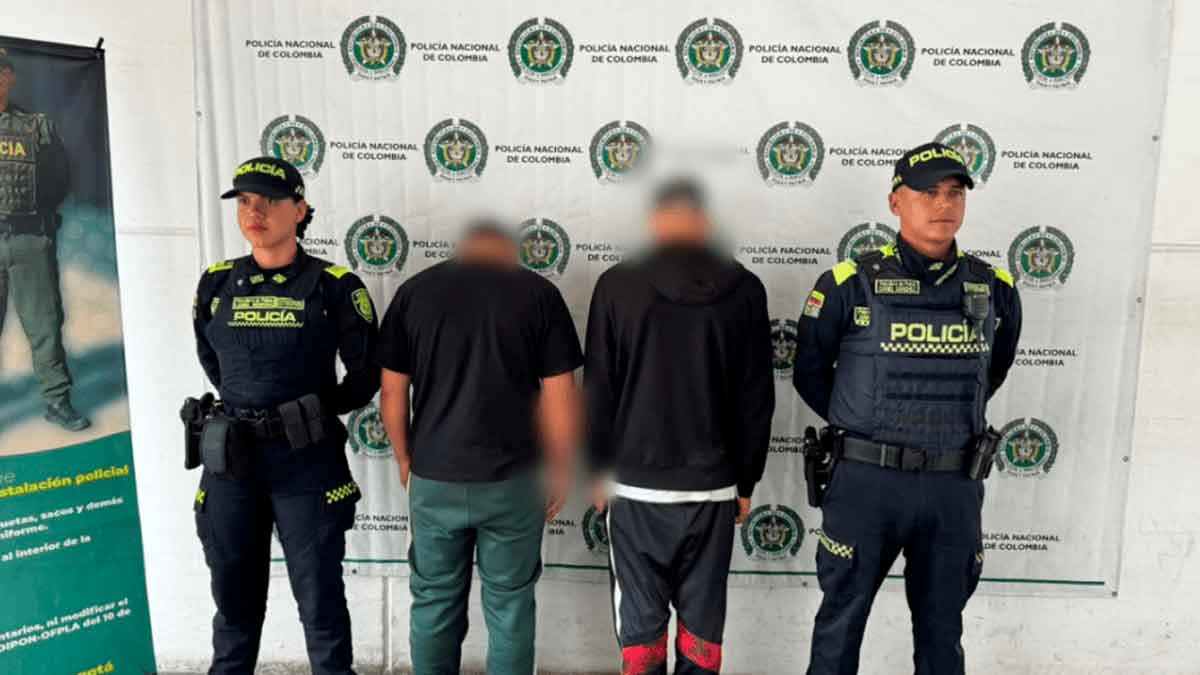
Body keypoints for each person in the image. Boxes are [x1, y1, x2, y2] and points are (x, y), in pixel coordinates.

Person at [793, 142, 1022, 674]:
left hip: (952, 485)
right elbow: (810, 373)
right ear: (896, 202)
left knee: (943, 634)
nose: (944, 204)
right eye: (928, 192)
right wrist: (863, 424)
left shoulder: (995, 287)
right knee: (839, 626)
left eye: (955, 193)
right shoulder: (847, 284)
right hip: (865, 484)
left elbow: (992, 372)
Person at [191, 156, 379, 674]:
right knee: (233, 603)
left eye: (270, 201)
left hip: (306, 462)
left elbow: (365, 375)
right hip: (230, 461)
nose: (254, 212)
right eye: (245, 201)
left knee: (320, 602)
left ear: (299, 210)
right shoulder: (216, 282)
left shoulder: (336, 285)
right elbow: (213, 361)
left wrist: (311, 411)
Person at [585, 178, 775, 674]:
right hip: (712, 489)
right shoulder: (746, 289)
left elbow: (600, 388)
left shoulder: (616, 285)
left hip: (635, 490)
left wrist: (597, 470)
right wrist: (746, 481)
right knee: (701, 634)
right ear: (706, 223)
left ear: (654, 223)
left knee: (641, 636)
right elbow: (756, 398)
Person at [377, 220, 583, 674]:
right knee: (510, 604)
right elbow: (560, 394)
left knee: (434, 598)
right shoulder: (538, 294)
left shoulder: (415, 292)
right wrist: (560, 467)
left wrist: (405, 457)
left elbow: (392, 392)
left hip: (435, 476)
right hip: (514, 482)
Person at [0, 47, 88, 430]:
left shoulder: (35, 127)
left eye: (0, 72)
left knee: (45, 326)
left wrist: (34, 216)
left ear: (10, 77)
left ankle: (57, 401)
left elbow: (58, 178)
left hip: (29, 241)